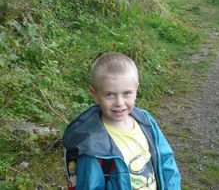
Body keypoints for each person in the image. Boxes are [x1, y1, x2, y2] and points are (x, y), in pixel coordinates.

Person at [63, 52, 181, 189]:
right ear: (95, 95)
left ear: (136, 90)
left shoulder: (146, 121)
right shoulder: (92, 144)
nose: (119, 103)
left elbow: (166, 160)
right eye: (109, 95)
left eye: (127, 93)